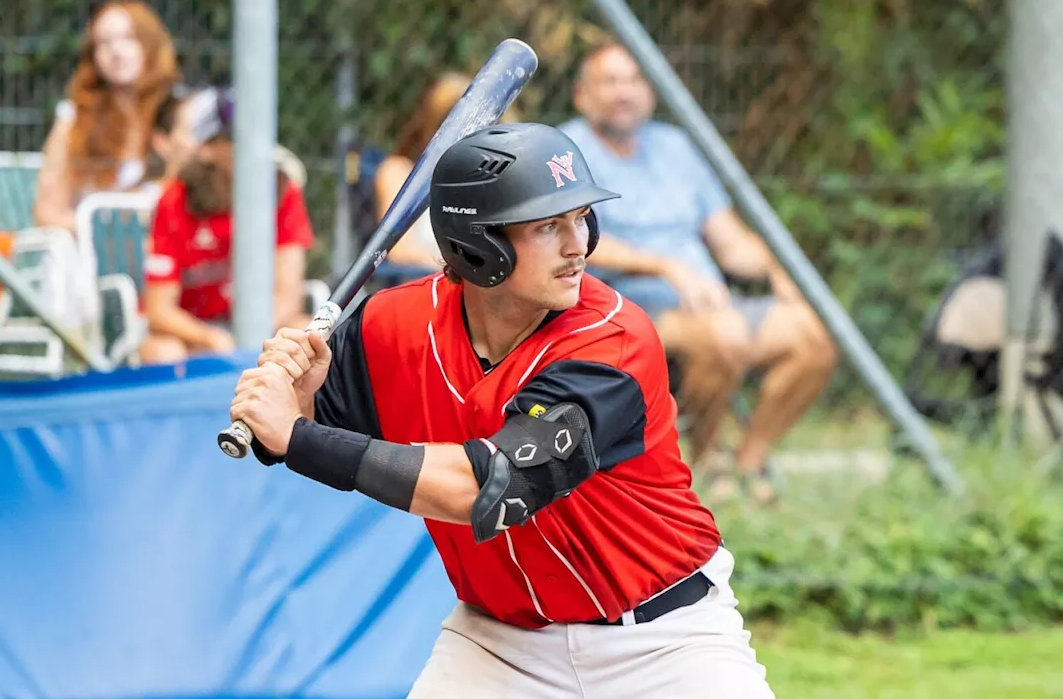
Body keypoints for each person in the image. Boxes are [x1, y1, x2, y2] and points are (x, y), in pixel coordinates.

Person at [228, 123, 776, 698]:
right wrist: (301, 398)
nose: (578, 244)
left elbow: (490, 488)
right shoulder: (392, 327)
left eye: (581, 217)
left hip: (662, 641)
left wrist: (297, 436)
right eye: (547, 225)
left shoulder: (613, 341)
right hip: (500, 646)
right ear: (477, 244)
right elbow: (308, 430)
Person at [559, 41, 836, 504]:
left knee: (814, 335)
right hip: (622, 307)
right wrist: (666, 267)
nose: (624, 92)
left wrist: (778, 270)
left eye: (635, 80)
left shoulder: (676, 147)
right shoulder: (564, 151)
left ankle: (748, 460)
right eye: (610, 81)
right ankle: (706, 460)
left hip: (708, 300)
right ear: (581, 94)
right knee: (723, 335)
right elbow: (570, 240)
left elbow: (728, 242)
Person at [139, 92, 314, 364]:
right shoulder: (175, 200)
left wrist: (253, 339)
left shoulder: (281, 190)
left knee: (305, 333)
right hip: (198, 332)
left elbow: (288, 294)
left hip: (262, 327)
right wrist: (208, 338)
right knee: (162, 351)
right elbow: (159, 310)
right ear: (206, 149)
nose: (251, 149)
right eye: (233, 140)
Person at [34, 0, 178, 231]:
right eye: (103, 43)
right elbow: (47, 213)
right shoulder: (74, 120)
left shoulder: (178, 116)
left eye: (128, 38)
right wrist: (109, 232)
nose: (116, 51)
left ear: (151, 44)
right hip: (88, 255)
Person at [371, 73, 521, 274]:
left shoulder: (497, 176)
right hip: (425, 282)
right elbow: (401, 251)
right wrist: (467, 267)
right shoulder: (398, 171)